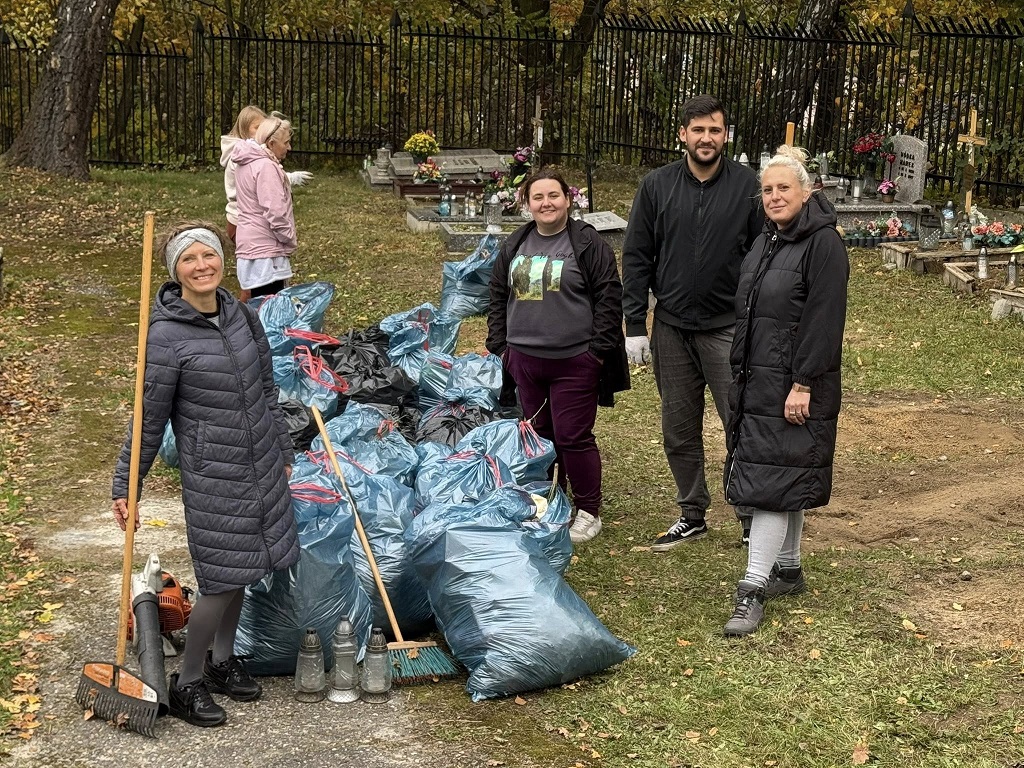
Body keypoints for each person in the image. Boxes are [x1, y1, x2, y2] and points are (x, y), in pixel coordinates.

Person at [111, 222, 298, 726]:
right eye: (189, 259)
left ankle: (220, 661)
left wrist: (281, 446)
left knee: (244, 569)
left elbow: (265, 386)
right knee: (219, 578)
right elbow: (147, 416)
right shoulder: (165, 335)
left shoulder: (241, 315)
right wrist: (128, 483)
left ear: (222, 259)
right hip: (214, 471)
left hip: (260, 460)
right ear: (175, 270)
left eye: (209, 256)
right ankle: (188, 679)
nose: (202, 266)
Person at [620, 94, 763, 551]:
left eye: (715, 130)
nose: (706, 138)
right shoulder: (657, 186)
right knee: (679, 426)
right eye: (698, 130)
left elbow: (765, 255)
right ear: (682, 134)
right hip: (672, 328)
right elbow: (637, 255)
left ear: (726, 135)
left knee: (737, 422)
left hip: (727, 327)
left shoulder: (748, 187)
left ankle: (749, 514)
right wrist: (635, 324)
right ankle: (692, 512)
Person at [721, 145, 848, 637]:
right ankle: (788, 569)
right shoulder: (769, 241)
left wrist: (803, 383)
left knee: (770, 485)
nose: (774, 197)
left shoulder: (823, 244)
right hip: (761, 379)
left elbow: (823, 319)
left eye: (783, 188)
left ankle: (752, 587)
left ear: (807, 191)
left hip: (794, 383)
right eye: (767, 190)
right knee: (782, 472)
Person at [487, 169, 629, 544]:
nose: (546, 203)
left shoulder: (586, 243)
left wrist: (596, 353)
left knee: (572, 436)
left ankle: (588, 510)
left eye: (554, 195)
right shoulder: (516, 243)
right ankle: (552, 500)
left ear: (568, 199)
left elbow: (609, 297)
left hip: (574, 361)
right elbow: (498, 295)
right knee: (540, 436)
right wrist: (502, 348)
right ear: (526, 203)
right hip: (525, 361)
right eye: (538, 197)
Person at [220, 107, 311, 246]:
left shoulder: (250, 154)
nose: (262, 131)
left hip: (246, 223)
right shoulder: (241, 157)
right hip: (242, 223)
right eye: (257, 127)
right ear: (244, 129)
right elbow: (262, 182)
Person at [233, 115, 300, 301]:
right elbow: (275, 213)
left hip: (251, 245)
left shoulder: (246, 162)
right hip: (266, 251)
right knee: (270, 310)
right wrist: (289, 238)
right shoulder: (266, 166)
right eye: (286, 143)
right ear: (271, 143)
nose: (289, 148)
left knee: (258, 305)